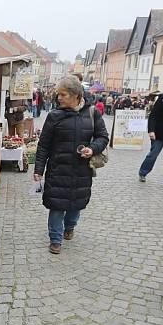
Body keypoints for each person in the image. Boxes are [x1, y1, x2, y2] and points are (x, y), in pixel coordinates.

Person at [33, 76, 110, 254]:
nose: (58, 98)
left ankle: (70, 227)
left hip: (82, 169)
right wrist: (39, 169)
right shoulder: (54, 116)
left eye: (63, 95)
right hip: (58, 168)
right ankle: (55, 239)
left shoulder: (92, 113)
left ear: (76, 95)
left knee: (76, 204)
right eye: (58, 95)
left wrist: (92, 149)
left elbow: (103, 137)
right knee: (57, 204)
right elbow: (44, 145)